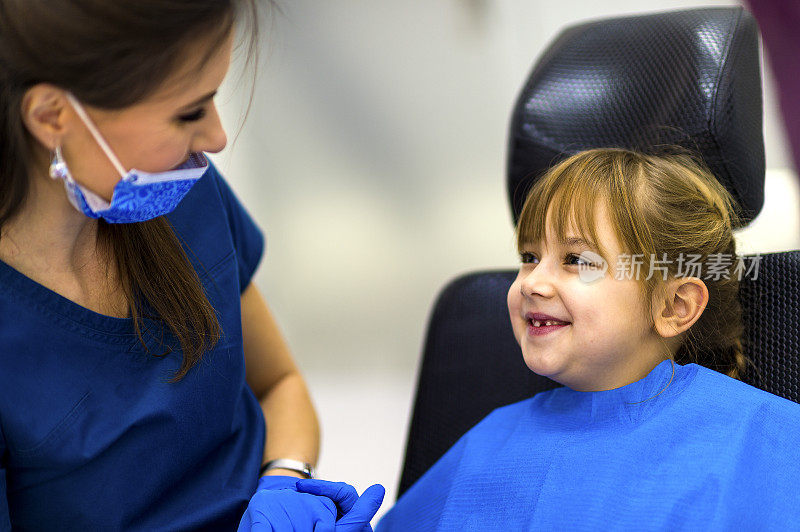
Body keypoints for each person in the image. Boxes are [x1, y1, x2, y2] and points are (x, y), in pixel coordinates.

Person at [0, 1, 382, 529]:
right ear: (51, 117)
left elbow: (279, 383)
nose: (216, 138)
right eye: (188, 112)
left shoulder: (178, 193)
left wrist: (286, 481)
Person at [378, 148, 800, 530]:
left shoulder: (770, 443)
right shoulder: (487, 440)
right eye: (529, 257)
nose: (531, 283)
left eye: (577, 260)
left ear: (674, 306)